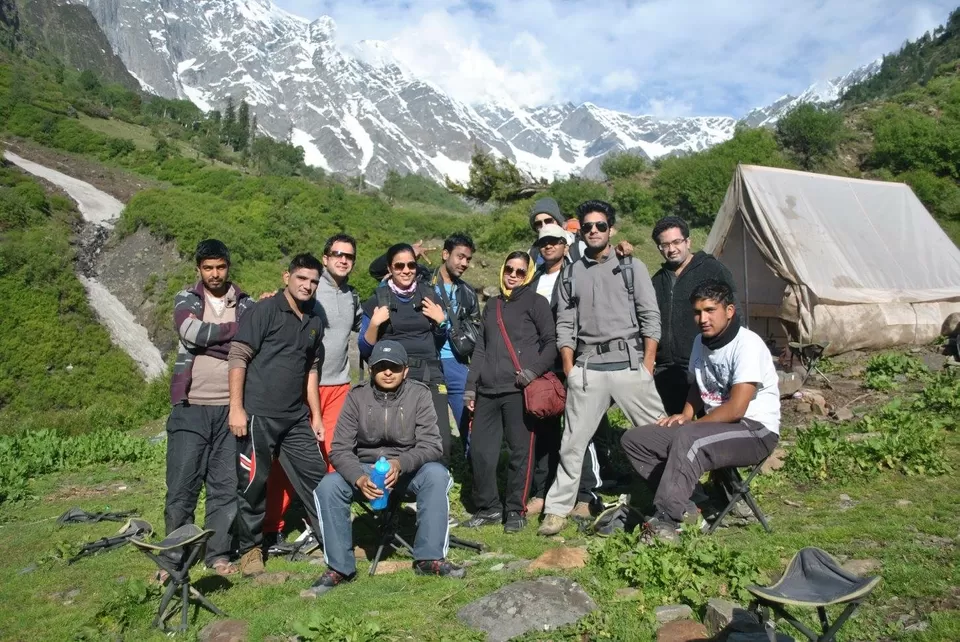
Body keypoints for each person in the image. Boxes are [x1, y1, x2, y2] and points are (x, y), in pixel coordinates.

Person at [538, 200, 665, 537]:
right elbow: (565, 322)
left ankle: (676, 498)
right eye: (588, 226)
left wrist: (647, 364)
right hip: (588, 366)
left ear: (611, 229)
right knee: (572, 442)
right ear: (579, 230)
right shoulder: (570, 271)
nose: (594, 231)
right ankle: (557, 510)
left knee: (659, 435)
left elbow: (650, 316)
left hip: (629, 363)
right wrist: (570, 367)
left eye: (601, 226)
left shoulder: (631, 265)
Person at [620, 280, 780, 543]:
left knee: (689, 438)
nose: (702, 319)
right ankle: (689, 505)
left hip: (754, 430)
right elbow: (698, 383)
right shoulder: (700, 341)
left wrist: (694, 426)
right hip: (715, 427)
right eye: (697, 312)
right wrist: (685, 415)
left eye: (710, 310)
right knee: (635, 441)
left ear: (729, 311)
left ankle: (666, 523)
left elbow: (737, 408)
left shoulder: (747, 345)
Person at [306, 340, 464, 596]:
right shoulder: (356, 396)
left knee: (437, 474)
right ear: (371, 369)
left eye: (394, 367)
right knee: (328, 486)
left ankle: (429, 559)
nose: (388, 372)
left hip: (407, 471)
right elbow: (339, 449)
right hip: (366, 471)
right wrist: (358, 478)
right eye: (381, 367)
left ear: (405, 370)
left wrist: (400, 464)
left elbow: (433, 445)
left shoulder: (420, 394)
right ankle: (339, 568)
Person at [227, 254, 328, 577]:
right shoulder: (264, 311)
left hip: (295, 417)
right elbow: (239, 356)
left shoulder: (314, 319)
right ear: (287, 277)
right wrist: (236, 408)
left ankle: (333, 539)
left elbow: (311, 368)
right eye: (302, 278)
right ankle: (250, 550)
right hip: (258, 414)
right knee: (254, 483)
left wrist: (316, 415)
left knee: (317, 478)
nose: (307, 286)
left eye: (313, 281)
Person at [262, 234, 363, 553]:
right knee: (289, 461)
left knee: (336, 457)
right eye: (337, 254)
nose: (343, 260)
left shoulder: (352, 297)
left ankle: (326, 521)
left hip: (339, 388)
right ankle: (271, 526)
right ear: (325, 257)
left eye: (349, 256)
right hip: (304, 388)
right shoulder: (310, 287)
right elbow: (281, 307)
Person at [165, 239, 253, 576]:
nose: (215, 274)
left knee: (224, 486)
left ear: (228, 267)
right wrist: (234, 336)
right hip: (191, 406)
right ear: (199, 269)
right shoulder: (187, 298)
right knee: (182, 485)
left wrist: (210, 340)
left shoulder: (245, 303)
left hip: (231, 408)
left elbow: (250, 341)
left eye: (220, 267)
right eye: (208, 268)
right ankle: (175, 557)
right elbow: (190, 332)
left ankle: (217, 554)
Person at [462, 251, 557, 533]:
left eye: (519, 271)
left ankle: (516, 509)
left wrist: (532, 372)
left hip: (518, 390)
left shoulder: (536, 302)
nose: (513, 276)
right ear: (503, 270)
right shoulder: (492, 305)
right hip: (487, 390)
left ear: (527, 274)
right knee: (481, 451)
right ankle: (489, 507)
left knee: (520, 451)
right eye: (509, 270)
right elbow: (481, 347)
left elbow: (551, 343)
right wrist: (471, 388)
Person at [526, 224, 605, 519]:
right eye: (543, 242)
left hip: (577, 359)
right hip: (543, 366)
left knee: (579, 428)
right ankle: (543, 491)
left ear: (565, 244)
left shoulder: (579, 273)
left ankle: (586, 494)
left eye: (554, 241)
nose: (548, 246)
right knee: (544, 429)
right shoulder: (532, 282)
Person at [359, 243, 452, 461]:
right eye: (399, 265)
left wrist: (441, 324)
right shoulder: (378, 300)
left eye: (411, 264)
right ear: (390, 269)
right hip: (393, 376)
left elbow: (438, 342)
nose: (406, 270)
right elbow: (365, 350)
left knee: (441, 441)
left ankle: (435, 486)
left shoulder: (429, 295)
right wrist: (374, 324)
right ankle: (398, 487)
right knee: (399, 439)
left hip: (429, 374)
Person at [650, 216, 739, 415]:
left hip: (707, 364)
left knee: (711, 428)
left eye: (676, 242)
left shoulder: (713, 270)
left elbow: (734, 312)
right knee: (672, 426)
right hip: (667, 369)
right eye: (664, 245)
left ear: (688, 241)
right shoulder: (657, 280)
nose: (671, 249)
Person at [430, 233, 482, 455]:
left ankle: (476, 477)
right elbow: (377, 270)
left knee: (472, 424)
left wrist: (448, 325)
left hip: (458, 364)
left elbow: (477, 331)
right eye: (460, 256)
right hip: (429, 363)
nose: (464, 263)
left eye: (468, 259)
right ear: (445, 254)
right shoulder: (423, 283)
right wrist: (410, 251)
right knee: (431, 428)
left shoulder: (468, 293)